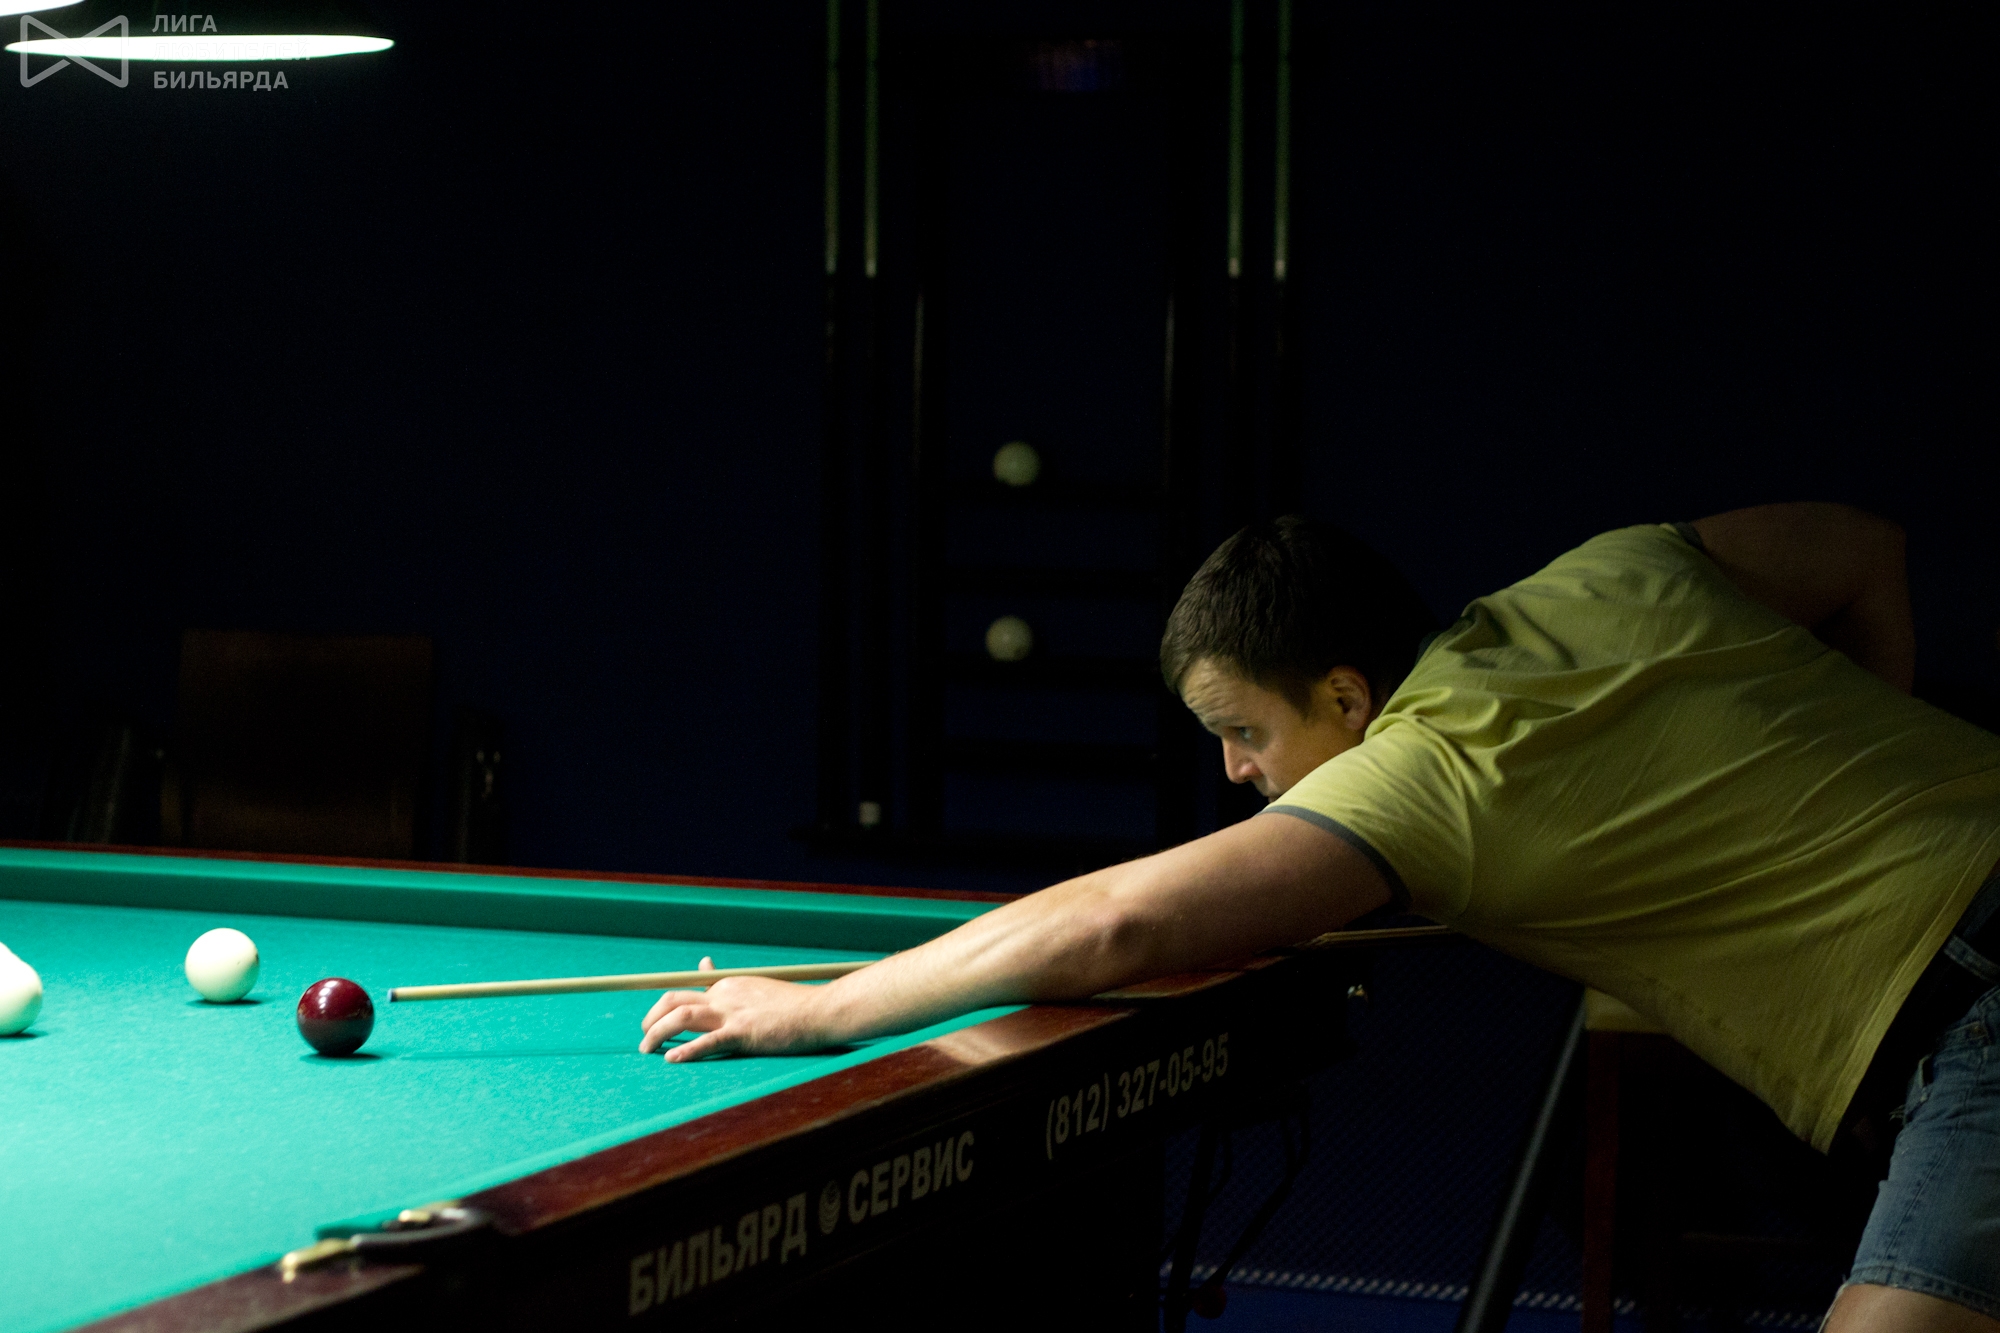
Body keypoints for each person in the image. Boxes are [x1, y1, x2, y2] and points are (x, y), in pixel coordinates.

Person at [641, 503, 2000, 1332]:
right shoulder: (1611, 570)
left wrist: (823, 1007)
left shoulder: (1424, 774)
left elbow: (1114, 924)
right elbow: (1860, 548)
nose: (1237, 773)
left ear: (1348, 696)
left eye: (1242, 731)